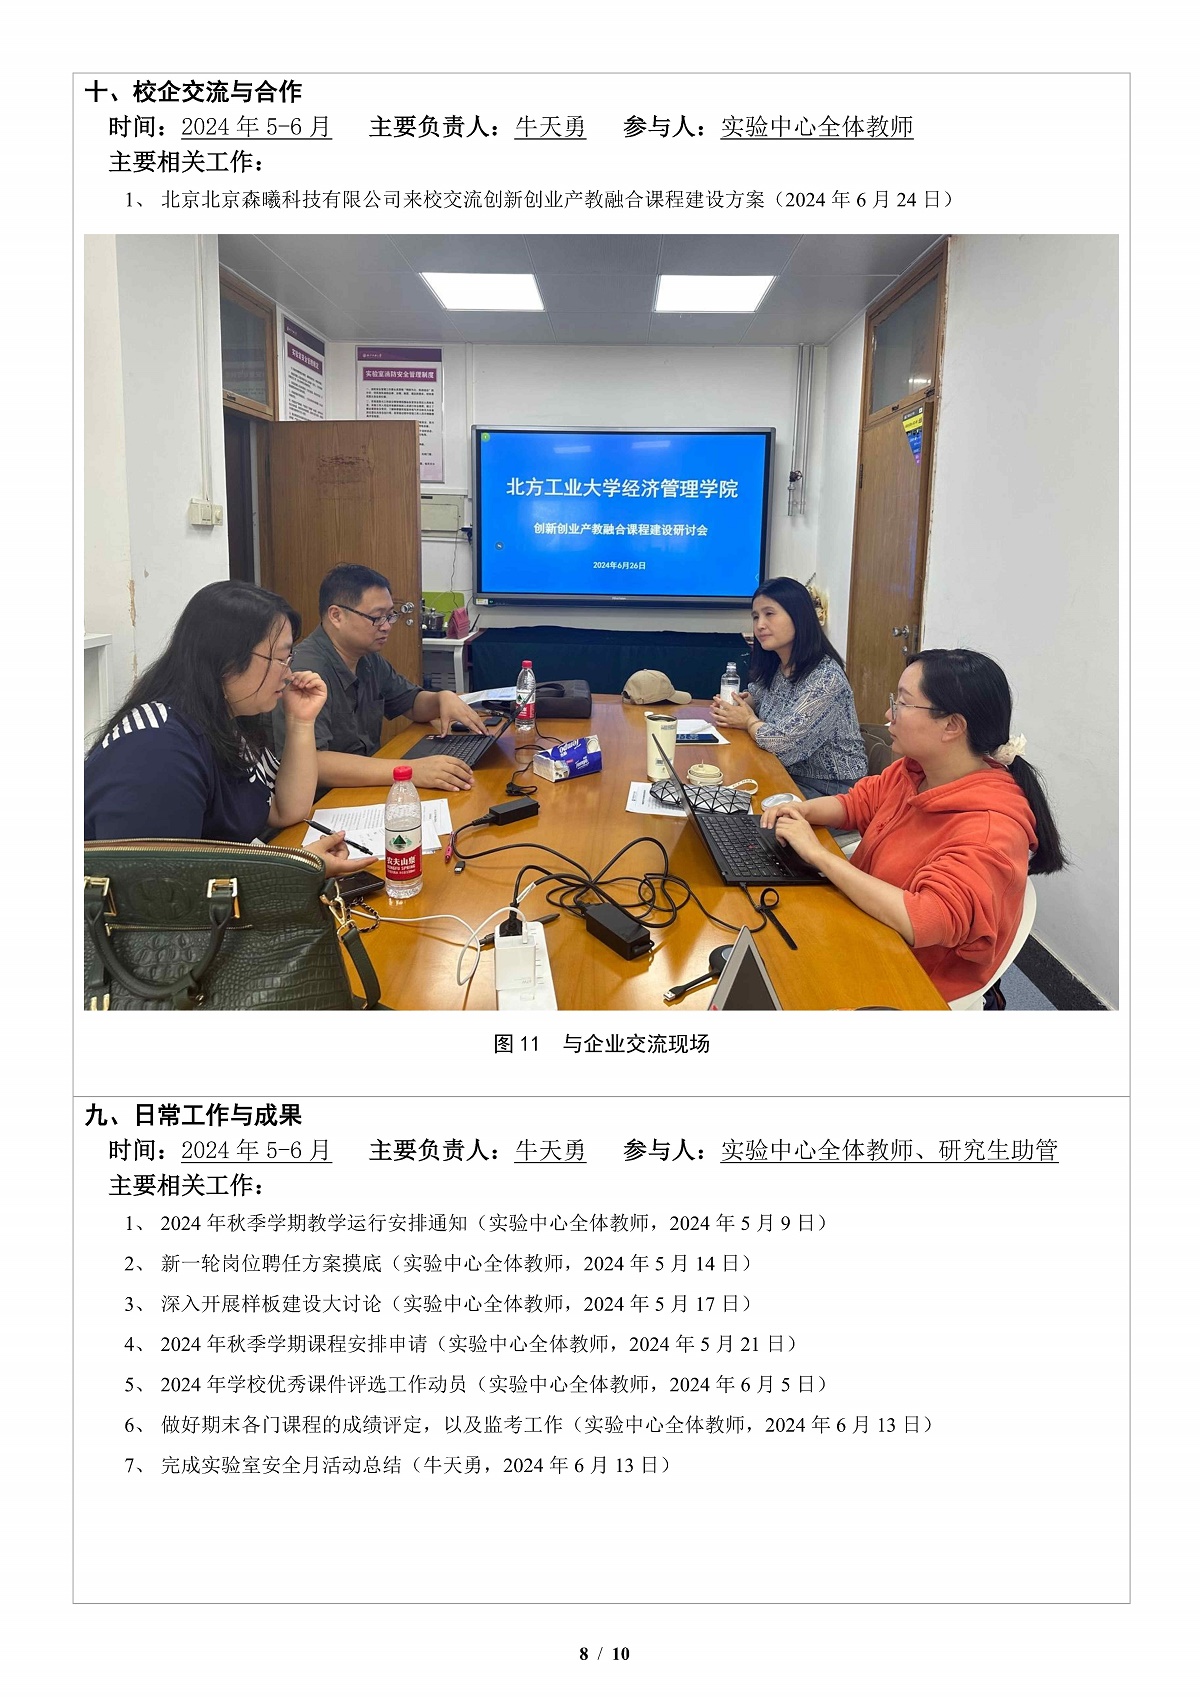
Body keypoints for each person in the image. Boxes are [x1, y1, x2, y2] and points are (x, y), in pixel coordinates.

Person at [761, 649, 1066, 1002]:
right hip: (865, 926)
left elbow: (925, 919)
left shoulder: (989, 830)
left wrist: (819, 856)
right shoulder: (917, 770)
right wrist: (801, 811)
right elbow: (858, 803)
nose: (888, 715)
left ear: (952, 726)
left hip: (908, 978)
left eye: (903, 704)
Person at [84, 581, 373, 878]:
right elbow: (156, 888)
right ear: (227, 660)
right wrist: (295, 871)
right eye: (279, 658)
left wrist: (300, 722)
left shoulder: (226, 718)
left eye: (289, 659)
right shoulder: (155, 749)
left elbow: (285, 810)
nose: (288, 673)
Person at [276, 563, 488, 792]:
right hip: (320, 801)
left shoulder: (367, 658)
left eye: (390, 616)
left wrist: (441, 699)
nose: (387, 626)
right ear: (336, 615)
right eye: (377, 617)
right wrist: (410, 770)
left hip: (363, 787)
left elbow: (411, 703)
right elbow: (311, 763)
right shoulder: (303, 671)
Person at [710, 576, 867, 797]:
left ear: (798, 617)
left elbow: (783, 746)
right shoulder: (779, 665)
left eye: (769, 614)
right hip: (784, 772)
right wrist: (737, 705)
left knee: (729, 799)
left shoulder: (826, 677)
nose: (760, 625)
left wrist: (747, 721)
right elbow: (757, 696)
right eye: (755, 617)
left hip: (830, 789)